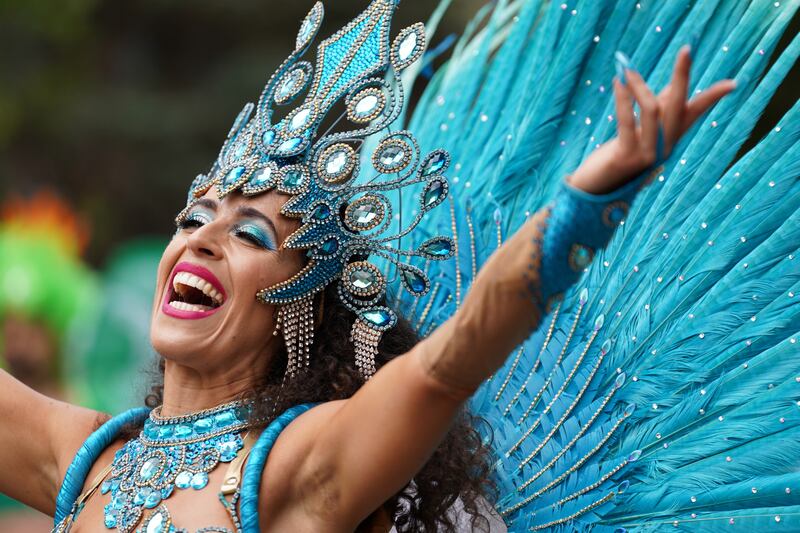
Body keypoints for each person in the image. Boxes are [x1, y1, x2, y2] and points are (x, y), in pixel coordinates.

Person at [1, 1, 796, 532]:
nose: (200, 239)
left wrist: (586, 207)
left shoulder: (291, 471)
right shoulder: (87, 455)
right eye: (193, 216)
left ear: (300, 307)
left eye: (248, 234)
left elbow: (446, 368)